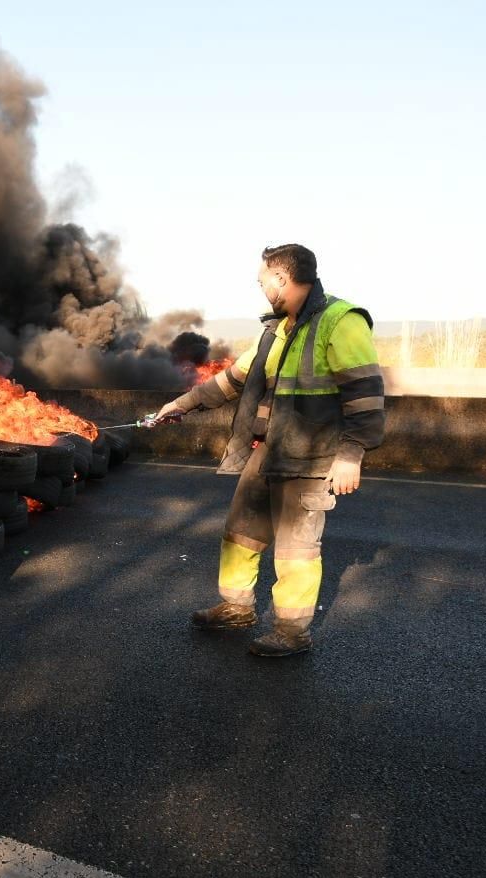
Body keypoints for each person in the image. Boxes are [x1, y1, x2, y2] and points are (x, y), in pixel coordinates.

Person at [148, 244, 385, 657]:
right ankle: (237, 607)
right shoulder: (277, 330)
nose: (259, 287)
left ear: (281, 279)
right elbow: (232, 380)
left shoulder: (340, 321)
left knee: (297, 549)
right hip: (270, 448)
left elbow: (365, 394)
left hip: (312, 456)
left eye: (261, 281)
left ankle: (293, 631)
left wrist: (351, 455)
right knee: (241, 530)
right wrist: (181, 405)